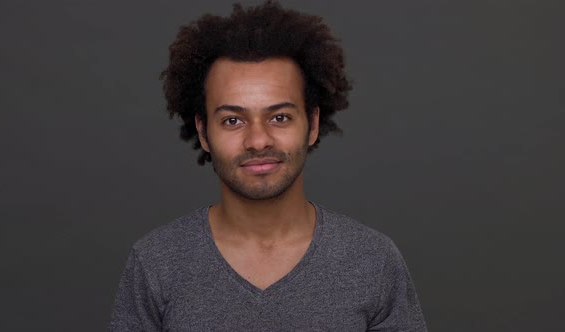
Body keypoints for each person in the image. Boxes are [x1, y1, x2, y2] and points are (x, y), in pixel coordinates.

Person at [109, 1, 427, 331]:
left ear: (312, 123)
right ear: (204, 132)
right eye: (233, 120)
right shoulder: (156, 263)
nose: (258, 140)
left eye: (279, 117)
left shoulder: (372, 261)